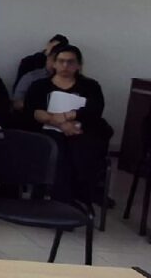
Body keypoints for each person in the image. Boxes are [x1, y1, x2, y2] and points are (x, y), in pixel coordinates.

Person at [24, 44, 111, 205]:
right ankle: (62, 201)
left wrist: (69, 115)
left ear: (78, 65)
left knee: (84, 150)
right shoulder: (40, 86)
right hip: (48, 131)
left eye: (70, 62)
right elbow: (33, 112)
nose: (65, 66)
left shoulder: (91, 86)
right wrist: (61, 124)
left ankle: (82, 199)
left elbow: (95, 109)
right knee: (57, 149)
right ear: (54, 63)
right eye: (61, 61)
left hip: (80, 131)